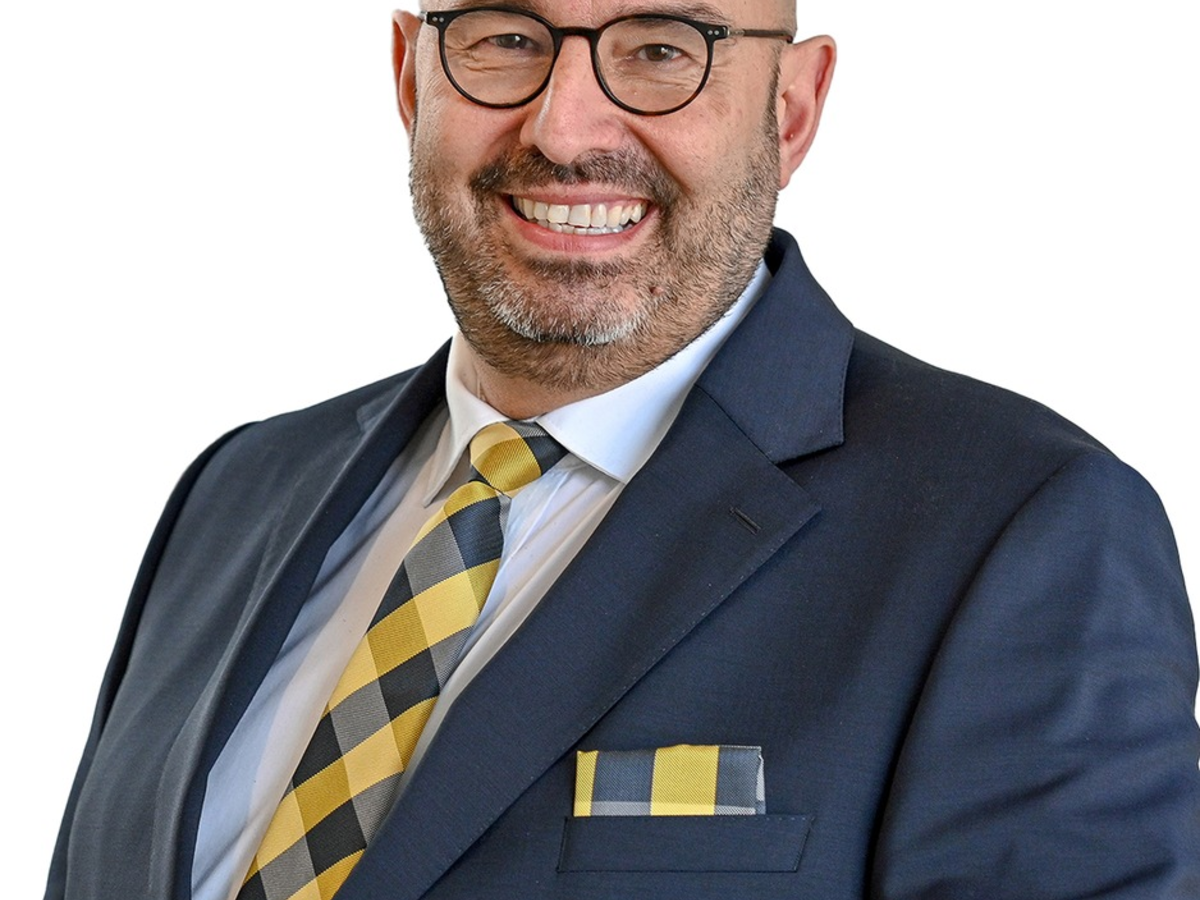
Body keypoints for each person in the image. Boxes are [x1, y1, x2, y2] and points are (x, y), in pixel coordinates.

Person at [45, 1, 1200, 898]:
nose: (564, 129)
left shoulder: (1022, 536)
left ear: (792, 108)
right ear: (409, 75)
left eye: (660, 49)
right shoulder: (234, 493)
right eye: (505, 39)